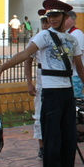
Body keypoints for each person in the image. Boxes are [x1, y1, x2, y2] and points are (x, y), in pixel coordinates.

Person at [0, 0, 84, 167]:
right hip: (50, 90)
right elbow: (25, 55)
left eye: (56, 15)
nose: (53, 19)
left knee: (68, 137)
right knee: (53, 137)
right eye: (50, 16)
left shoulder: (72, 40)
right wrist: (1, 68)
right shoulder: (44, 36)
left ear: (65, 17)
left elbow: (79, 68)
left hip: (67, 90)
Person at [25, 10, 50, 158]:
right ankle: (42, 145)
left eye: (48, 21)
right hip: (42, 79)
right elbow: (28, 61)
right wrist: (29, 83)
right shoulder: (36, 39)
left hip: (57, 80)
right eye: (44, 21)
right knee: (40, 113)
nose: (46, 24)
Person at [64, 11, 84, 99]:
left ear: (71, 19)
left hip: (76, 73)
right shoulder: (67, 34)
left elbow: (77, 55)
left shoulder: (77, 34)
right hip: (70, 73)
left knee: (76, 98)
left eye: (66, 18)